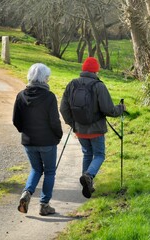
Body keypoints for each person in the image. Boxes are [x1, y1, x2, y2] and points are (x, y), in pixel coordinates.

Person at [60, 57, 125, 198]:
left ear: (83, 69)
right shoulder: (99, 86)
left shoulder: (72, 84)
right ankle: (88, 176)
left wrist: (73, 123)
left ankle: (88, 186)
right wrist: (121, 108)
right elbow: (109, 110)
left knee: (87, 154)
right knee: (99, 155)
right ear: (96, 71)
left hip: (80, 130)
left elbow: (63, 108)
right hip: (96, 130)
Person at [13, 63, 63, 216]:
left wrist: (25, 131)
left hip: (29, 142)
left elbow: (16, 120)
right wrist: (58, 135)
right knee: (49, 172)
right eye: (47, 77)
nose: (48, 80)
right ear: (44, 79)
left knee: (36, 169)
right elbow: (54, 121)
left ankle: (27, 193)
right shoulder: (49, 97)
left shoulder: (21, 95)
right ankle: (44, 205)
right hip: (47, 142)